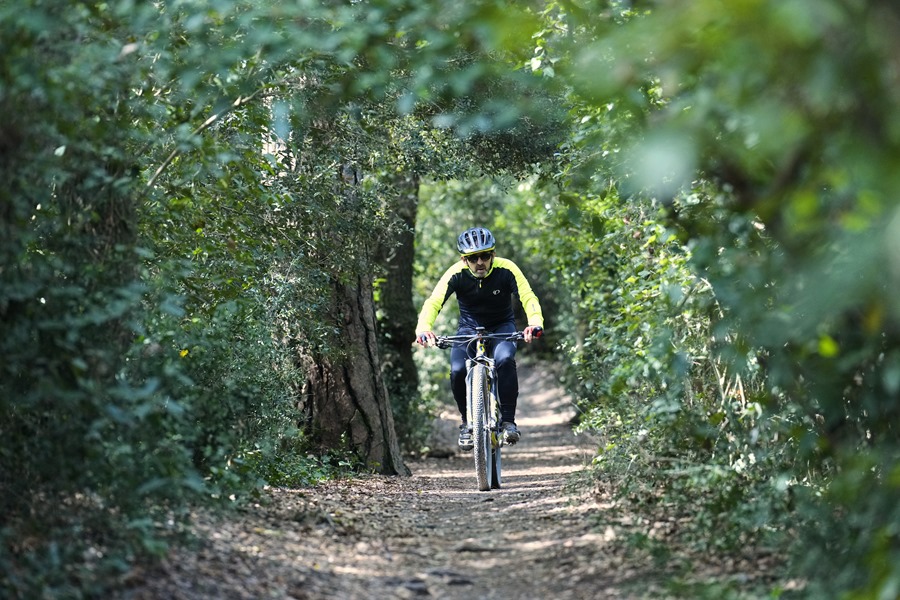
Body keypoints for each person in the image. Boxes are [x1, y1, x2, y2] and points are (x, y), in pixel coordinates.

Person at [415, 226, 544, 451]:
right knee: (457, 370)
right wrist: (424, 329)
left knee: (504, 360)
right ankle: (467, 424)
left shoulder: (507, 269)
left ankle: (509, 423)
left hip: (502, 326)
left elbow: (527, 296)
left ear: (493, 254)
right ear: (464, 260)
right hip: (468, 328)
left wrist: (534, 322)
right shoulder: (455, 273)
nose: (480, 262)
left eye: (485, 256)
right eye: (473, 258)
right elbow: (434, 302)